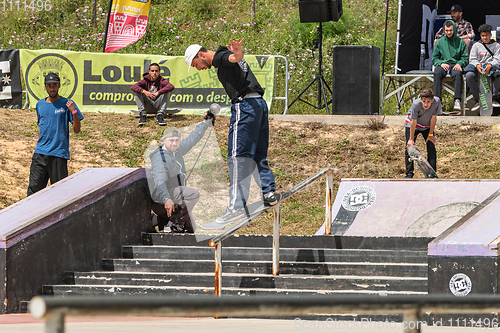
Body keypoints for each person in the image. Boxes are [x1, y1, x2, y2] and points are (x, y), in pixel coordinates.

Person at [184, 39, 279, 225]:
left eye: (196, 64)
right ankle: (268, 192)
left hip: (245, 107)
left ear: (201, 55)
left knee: (237, 156)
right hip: (259, 104)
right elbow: (234, 60)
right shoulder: (221, 59)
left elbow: (233, 58)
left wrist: (237, 52)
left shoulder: (219, 57)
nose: (198, 69)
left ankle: (236, 207)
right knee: (258, 154)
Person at [149, 113, 214, 233]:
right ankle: (173, 223)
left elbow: (192, 139)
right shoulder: (160, 158)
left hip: (175, 199)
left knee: (191, 229)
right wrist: (166, 198)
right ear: (163, 140)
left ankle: (157, 220)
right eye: (171, 140)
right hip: (163, 200)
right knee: (193, 194)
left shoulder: (177, 150)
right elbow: (159, 181)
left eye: (177, 140)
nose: (174, 143)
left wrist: (205, 123)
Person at [27, 72, 84, 196]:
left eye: (54, 85)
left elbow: (77, 129)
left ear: (59, 86)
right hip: (40, 154)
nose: (52, 88)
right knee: (33, 191)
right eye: (49, 85)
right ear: (45, 87)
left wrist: (73, 111)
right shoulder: (40, 105)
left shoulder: (68, 103)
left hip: (58, 154)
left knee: (60, 194)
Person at [404, 88, 442, 179]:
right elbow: (413, 121)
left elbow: (433, 118)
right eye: (424, 101)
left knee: (431, 146)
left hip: (426, 125)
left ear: (432, 100)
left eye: (428, 101)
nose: (425, 104)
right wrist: (411, 139)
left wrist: (430, 134)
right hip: (412, 124)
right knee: (409, 147)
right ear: (420, 99)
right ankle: (409, 174)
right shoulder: (416, 104)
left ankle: (432, 173)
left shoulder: (437, 102)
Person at [432, 20, 468, 111]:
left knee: (457, 73)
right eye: (447, 30)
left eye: (451, 30)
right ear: (444, 30)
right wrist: (440, 63)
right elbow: (434, 58)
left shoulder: (461, 42)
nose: (448, 32)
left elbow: (465, 58)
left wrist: (460, 63)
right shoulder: (439, 42)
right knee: (437, 72)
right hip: (443, 64)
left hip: (455, 64)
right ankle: (437, 100)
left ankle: (457, 100)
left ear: (454, 30)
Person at [464, 24, 500, 112]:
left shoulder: (496, 46)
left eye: (486, 35)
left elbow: (498, 59)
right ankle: (478, 100)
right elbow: (472, 59)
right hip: (478, 68)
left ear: (490, 35)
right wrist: (477, 65)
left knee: (499, 74)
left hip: (491, 68)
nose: (485, 38)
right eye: (483, 36)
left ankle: (493, 98)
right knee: (469, 75)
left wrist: (490, 65)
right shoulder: (476, 45)